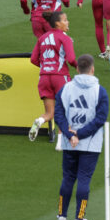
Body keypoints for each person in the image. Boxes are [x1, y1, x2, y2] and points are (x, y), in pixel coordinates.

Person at [54, 54, 109, 220]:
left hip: (70, 144)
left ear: (77, 69)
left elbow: (58, 114)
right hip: (90, 145)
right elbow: (100, 119)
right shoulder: (100, 91)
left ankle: (62, 216)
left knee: (68, 178)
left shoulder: (66, 89)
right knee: (84, 179)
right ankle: (79, 218)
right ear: (92, 69)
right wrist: (81, 134)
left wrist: (71, 136)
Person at [29, 11, 77, 146]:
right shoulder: (65, 38)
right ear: (57, 23)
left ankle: (39, 121)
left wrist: (45, 66)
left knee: (49, 113)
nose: (68, 22)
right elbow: (71, 59)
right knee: (65, 110)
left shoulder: (42, 38)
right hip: (60, 77)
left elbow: (33, 59)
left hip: (44, 77)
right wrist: (79, 67)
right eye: (65, 20)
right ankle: (60, 143)